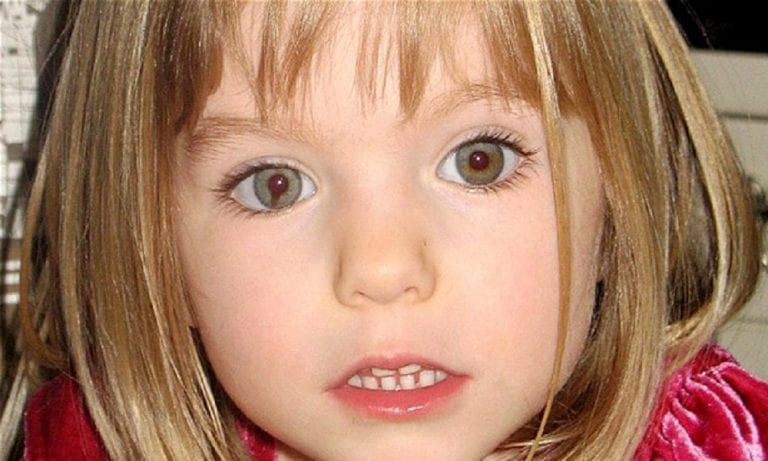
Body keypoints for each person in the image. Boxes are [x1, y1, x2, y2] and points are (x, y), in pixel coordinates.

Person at [2, 1, 767, 460]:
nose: (382, 268)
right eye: (274, 184)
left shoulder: (718, 441)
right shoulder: (84, 444)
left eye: (479, 160)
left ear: (623, 196)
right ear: (153, 249)